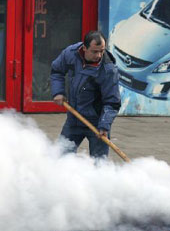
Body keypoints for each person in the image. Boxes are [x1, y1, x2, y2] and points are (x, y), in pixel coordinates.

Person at [50, 30, 121, 158]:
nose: (99, 55)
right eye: (95, 51)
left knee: (99, 164)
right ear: (84, 48)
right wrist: (58, 92)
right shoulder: (71, 54)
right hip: (74, 119)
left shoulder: (108, 70)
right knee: (60, 157)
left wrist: (104, 125)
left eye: (102, 50)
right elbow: (57, 70)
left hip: (96, 124)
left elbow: (112, 102)